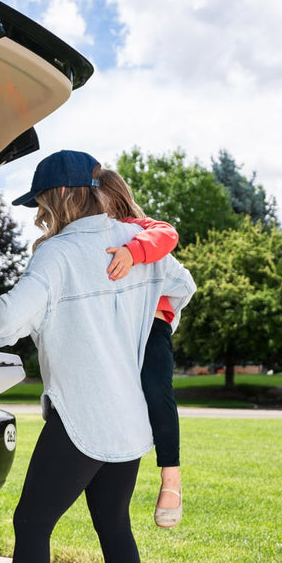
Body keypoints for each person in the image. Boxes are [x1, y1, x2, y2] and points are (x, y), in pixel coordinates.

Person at [0, 150, 196, 563]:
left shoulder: (57, 254)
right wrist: (140, 325)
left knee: (32, 524)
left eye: (39, 201)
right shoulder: (136, 245)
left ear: (57, 197)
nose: (38, 212)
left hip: (82, 419)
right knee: (114, 527)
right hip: (129, 422)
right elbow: (183, 286)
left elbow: (10, 316)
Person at [96, 170, 185, 528]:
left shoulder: (140, 226)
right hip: (115, 328)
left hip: (152, 322)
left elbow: (168, 234)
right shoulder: (89, 237)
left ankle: (171, 477)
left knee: (156, 387)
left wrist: (134, 252)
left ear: (113, 197)